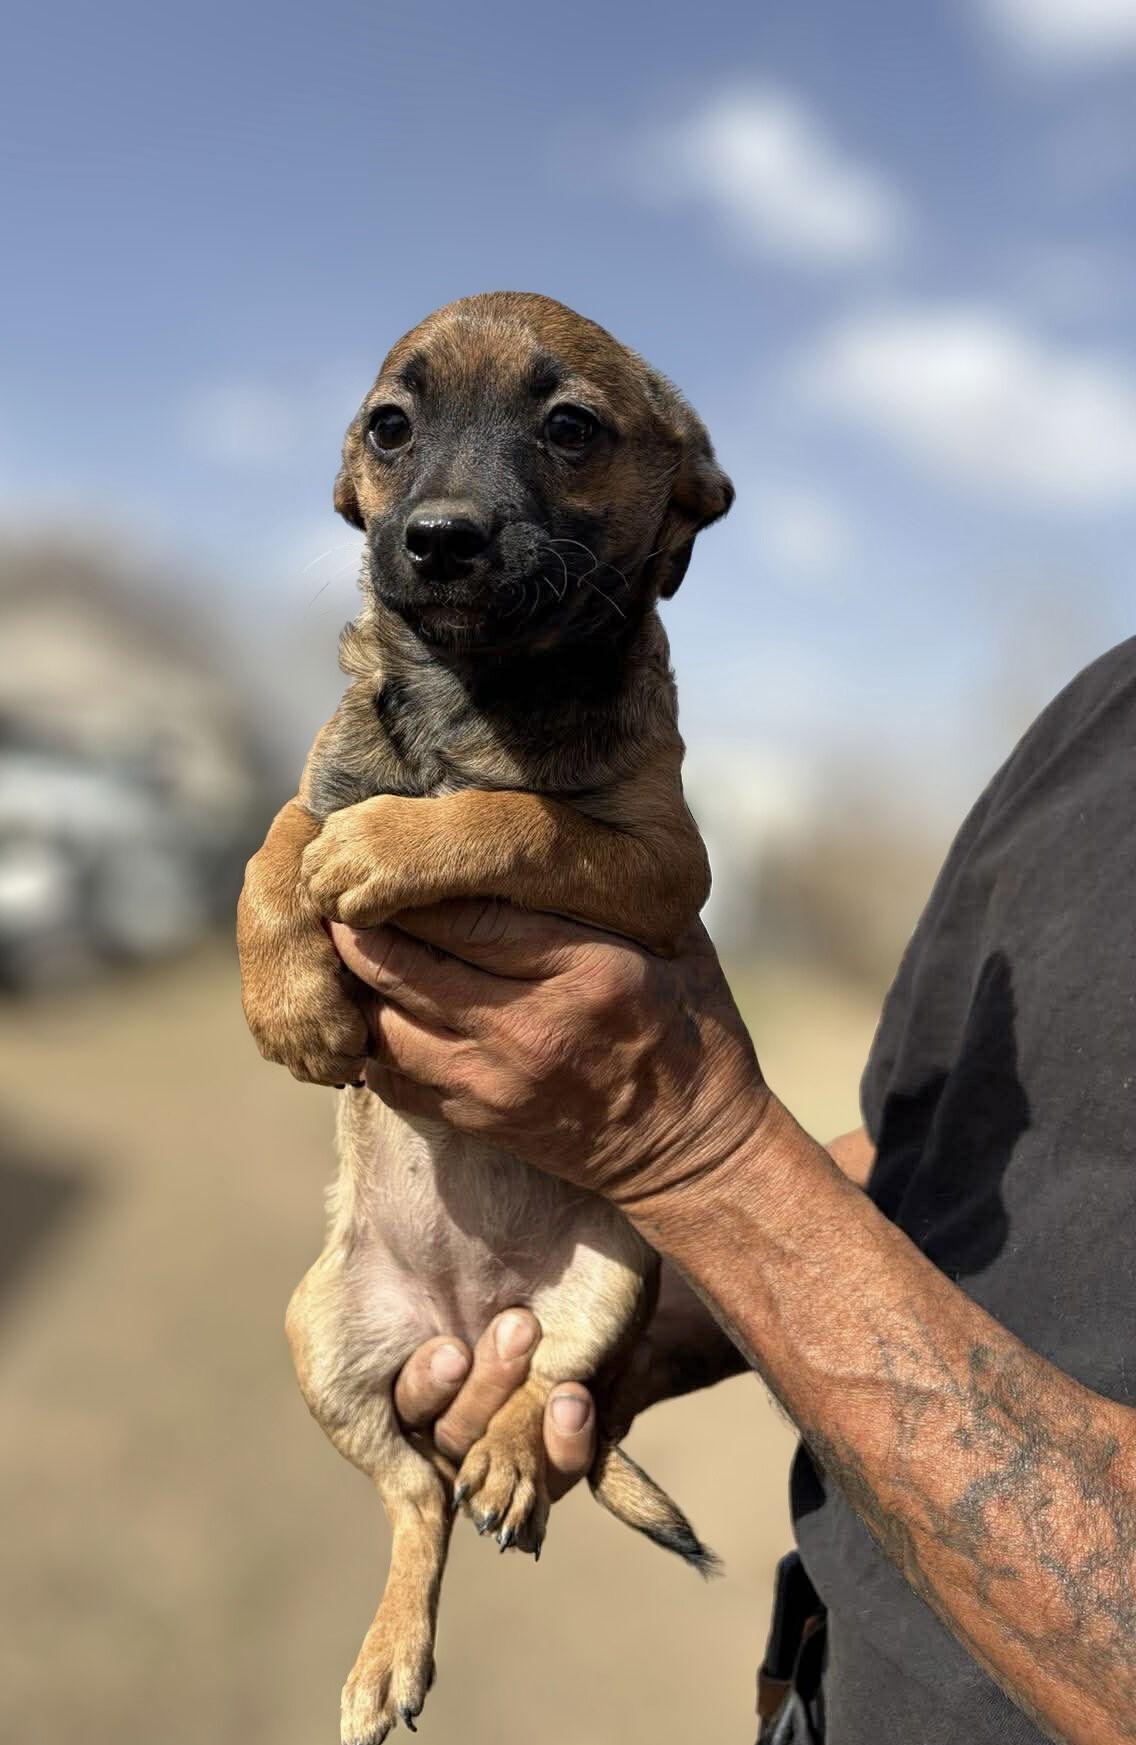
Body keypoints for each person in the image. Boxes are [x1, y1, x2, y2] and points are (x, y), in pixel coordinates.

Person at [329, 638, 1136, 1745]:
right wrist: (635, 1316)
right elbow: (926, 1152)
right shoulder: (1099, 714)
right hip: (813, 1689)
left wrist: (697, 1155)